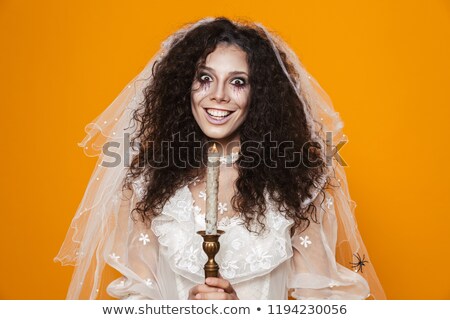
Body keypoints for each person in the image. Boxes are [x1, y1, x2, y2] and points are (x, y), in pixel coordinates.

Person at [55, 17, 386, 300]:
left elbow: (326, 305)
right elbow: (137, 301)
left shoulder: (298, 185)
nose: (218, 95)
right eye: (205, 78)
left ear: (261, 94)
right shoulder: (148, 183)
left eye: (238, 82)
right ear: (184, 86)